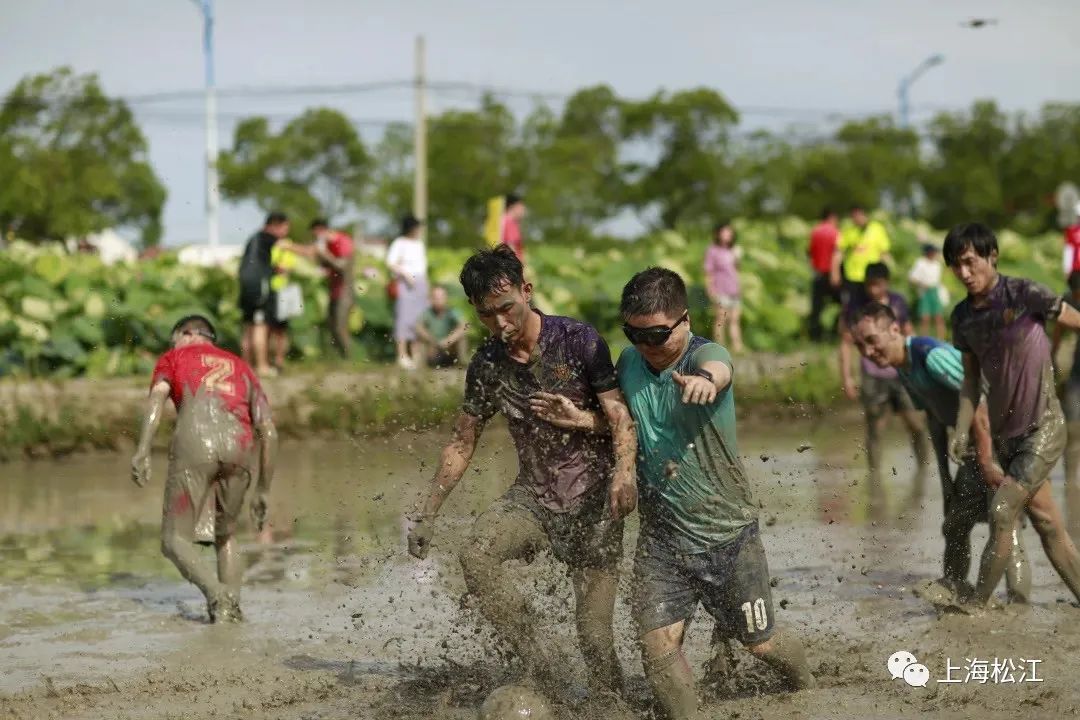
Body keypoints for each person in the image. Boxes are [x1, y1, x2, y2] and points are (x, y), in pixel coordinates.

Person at [405, 244, 638, 694]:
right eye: (487, 315)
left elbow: (619, 417)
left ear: (526, 291)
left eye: (507, 309)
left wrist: (624, 473)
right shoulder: (487, 365)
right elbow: (461, 442)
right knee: (476, 555)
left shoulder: (579, 342)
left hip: (593, 505)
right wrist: (427, 512)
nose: (501, 324)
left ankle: (611, 703)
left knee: (593, 637)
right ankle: (539, 660)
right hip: (531, 498)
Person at [615, 267, 815, 719]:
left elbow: (719, 370)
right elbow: (621, 422)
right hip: (662, 540)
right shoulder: (628, 363)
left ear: (685, 321)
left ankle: (806, 689)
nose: (646, 345)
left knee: (760, 642)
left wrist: (708, 382)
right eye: (633, 333)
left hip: (728, 535)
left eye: (658, 334)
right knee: (657, 647)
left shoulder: (705, 356)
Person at [849, 302, 1029, 604]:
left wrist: (987, 460)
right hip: (976, 445)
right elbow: (934, 419)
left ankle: (1018, 606)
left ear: (894, 329)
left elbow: (983, 400)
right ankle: (954, 586)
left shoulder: (930, 355)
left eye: (870, 340)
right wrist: (946, 479)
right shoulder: (902, 368)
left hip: (1001, 439)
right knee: (955, 523)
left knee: (1004, 524)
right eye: (859, 345)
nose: (867, 351)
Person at [945, 222, 1080, 609]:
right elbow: (971, 381)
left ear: (992, 257)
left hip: (1044, 428)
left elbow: (1075, 319)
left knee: (1002, 510)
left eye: (971, 262)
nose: (965, 273)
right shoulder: (962, 318)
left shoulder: (1024, 294)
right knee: (1048, 523)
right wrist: (960, 428)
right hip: (1007, 436)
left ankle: (976, 606)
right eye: (956, 266)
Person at [130, 315, 277, 623]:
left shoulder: (173, 357)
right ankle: (231, 611)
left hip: (195, 445)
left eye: (174, 339)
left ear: (186, 333)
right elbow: (269, 430)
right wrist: (263, 489)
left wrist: (143, 448)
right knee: (226, 535)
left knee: (173, 540)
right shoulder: (242, 365)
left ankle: (216, 594)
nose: (174, 345)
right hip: (240, 448)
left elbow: (157, 400)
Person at [838, 262, 930, 514]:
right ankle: (875, 483)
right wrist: (847, 377)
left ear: (886, 283)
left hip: (901, 374)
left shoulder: (898, 303)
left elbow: (909, 334)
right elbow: (846, 343)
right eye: (869, 284)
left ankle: (924, 472)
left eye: (877, 284)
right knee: (875, 428)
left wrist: (919, 368)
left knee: (916, 423)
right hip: (873, 376)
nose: (873, 289)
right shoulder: (856, 307)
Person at [238, 212, 290, 377]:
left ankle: (245, 366)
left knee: (247, 328)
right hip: (258, 288)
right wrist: (311, 250)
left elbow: (257, 262)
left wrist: (274, 270)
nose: (285, 232)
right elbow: (288, 246)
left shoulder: (253, 239)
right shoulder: (268, 237)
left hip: (246, 285)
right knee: (260, 327)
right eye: (284, 228)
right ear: (275, 225)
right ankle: (262, 366)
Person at [1052, 270, 1080, 538]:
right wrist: (1051, 359)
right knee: (1072, 430)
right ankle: (1070, 482)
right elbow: (1059, 331)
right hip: (1077, 375)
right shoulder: (1067, 303)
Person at [386, 214, 429, 369]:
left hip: (420, 283)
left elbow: (423, 267)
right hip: (405, 284)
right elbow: (391, 263)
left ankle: (415, 354)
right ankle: (402, 355)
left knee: (419, 319)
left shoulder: (419, 244)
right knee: (404, 318)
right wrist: (405, 274)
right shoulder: (399, 243)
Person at [310, 219, 355, 358]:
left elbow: (342, 266)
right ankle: (338, 357)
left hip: (345, 290)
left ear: (322, 230)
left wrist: (325, 255)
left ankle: (350, 358)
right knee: (332, 325)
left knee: (341, 327)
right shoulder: (327, 245)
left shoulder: (343, 241)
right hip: (334, 290)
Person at [831, 206, 892, 301]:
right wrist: (835, 273)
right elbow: (838, 253)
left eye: (859, 215)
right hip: (852, 278)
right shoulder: (848, 231)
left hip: (872, 278)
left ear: (865, 215)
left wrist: (886, 274)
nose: (857, 219)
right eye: (854, 217)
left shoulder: (877, 229)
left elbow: (884, 253)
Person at [703, 221, 744, 353]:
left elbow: (736, 270)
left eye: (730, 232)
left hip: (734, 290)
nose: (728, 235)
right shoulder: (712, 250)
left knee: (735, 319)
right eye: (725, 232)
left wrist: (737, 258)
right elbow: (708, 271)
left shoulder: (733, 250)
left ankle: (738, 347)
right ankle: (719, 347)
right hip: (720, 289)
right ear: (718, 234)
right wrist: (710, 289)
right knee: (721, 319)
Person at [414, 285, 468, 368]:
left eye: (441, 297)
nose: (438, 300)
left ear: (446, 298)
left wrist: (449, 340)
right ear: (431, 299)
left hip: (450, 348)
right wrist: (432, 340)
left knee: (462, 337)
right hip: (432, 349)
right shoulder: (427, 313)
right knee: (418, 338)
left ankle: (461, 362)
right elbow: (418, 327)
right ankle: (419, 365)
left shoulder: (452, 311)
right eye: (435, 297)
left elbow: (465, 325)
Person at [267, 239, 300, 371]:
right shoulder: (270, 249)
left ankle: (279, 359)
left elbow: (291, 267)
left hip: (284, 293)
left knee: (281, 330)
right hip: (270, 292)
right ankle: (268, 359)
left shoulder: (289, 251)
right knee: (268, 329)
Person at [807, 208, 840, 342]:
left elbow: (810, 253)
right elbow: (837, 253)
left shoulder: (815, 232)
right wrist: (836, 274)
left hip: (818, 273)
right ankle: (834, 333)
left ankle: (815, 336)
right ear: (832, 217)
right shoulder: (835, 232)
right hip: (832, 273)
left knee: (817, 307)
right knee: (841, 304)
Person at [908, 243, 947, 339]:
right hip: (925, 291)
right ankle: (924, 339)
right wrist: (921, 284)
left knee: (939, 317)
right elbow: (912, 278)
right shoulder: (920, 262)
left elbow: (937, 280)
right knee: (925, 318)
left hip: (935, 291)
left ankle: (941, 339)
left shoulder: (937, 265)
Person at [502, 193, 526, 261]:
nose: (523, 209)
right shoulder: (509, 222)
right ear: (512, 206)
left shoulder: (503, 220)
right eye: (521, 205)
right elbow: (511, 247)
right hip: (512, 266)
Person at [1062, 202, 1080, 279]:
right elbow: (1068, 250)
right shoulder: (1071, 231)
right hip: (1076, 268)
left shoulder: (1072, 231)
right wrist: (1067, 269)